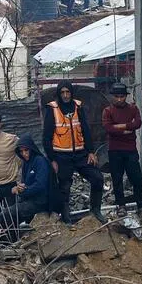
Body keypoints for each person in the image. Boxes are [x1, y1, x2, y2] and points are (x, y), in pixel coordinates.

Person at [43, 83, 105, 224]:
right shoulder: (52, 109)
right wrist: (52, 159)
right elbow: (46, 137)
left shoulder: (78, 106)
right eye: (63, 92)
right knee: (64, 187)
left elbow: (86, 130)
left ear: (71, 93)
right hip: (61, 155)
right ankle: (66, 217)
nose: (65, 95)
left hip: (80, 153)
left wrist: (90, 151)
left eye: (68, 92)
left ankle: (95, 210)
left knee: (97, 178)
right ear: (59, 93)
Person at [101, 82, 142, 216]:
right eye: (117, 96)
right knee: (117, 179)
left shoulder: (133, 109)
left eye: (122, 96)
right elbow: (108, 128)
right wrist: (127, 127)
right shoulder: (108, 111)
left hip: (130, 149)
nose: (120, 99)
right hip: (115, 150)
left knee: (136, 179)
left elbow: (137, 123)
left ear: (126, 96)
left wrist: (118, 127)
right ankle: (121, 206)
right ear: (113, 97)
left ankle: (141, 207)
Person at [3, 135, 51, 237]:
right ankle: (13, 239)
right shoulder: (26, 163)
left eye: (26, 150)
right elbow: (25, 183)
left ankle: (9, 242)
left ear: (31, 149)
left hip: (40, 202)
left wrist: (24, 190)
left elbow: (40, 185)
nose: (24, 154)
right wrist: (20, 187)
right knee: (8, 214)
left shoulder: (40, 161)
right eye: (21, 151)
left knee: (7, 213)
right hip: (29, 199)